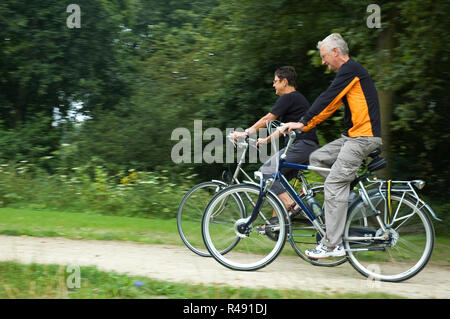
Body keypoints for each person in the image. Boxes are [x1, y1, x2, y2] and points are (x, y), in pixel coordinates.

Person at [281, 33, 382, 259]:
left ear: (336, 52)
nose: (324, 62)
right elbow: (330, 104)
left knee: (334, 184)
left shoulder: (351, 70)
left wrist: (303, 122)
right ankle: (345, 202)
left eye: (325, 56)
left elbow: (328, 98)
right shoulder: (349, 73)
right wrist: (305, 125)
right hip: (353, 137)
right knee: (317, 159)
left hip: (363, 138)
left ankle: (331, 245)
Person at [233, 66, 319, 215]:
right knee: (275, 183)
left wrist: (245, 133)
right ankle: (276, 225)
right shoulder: (296, 99)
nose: (273, 85)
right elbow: (282, 129)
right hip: (306, 147)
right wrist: (265, 140)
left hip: (301, 146)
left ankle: (292, 206)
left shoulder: (288, 97)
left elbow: (268, 119)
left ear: (284, 82)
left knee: (266, 173)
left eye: (275, 81)